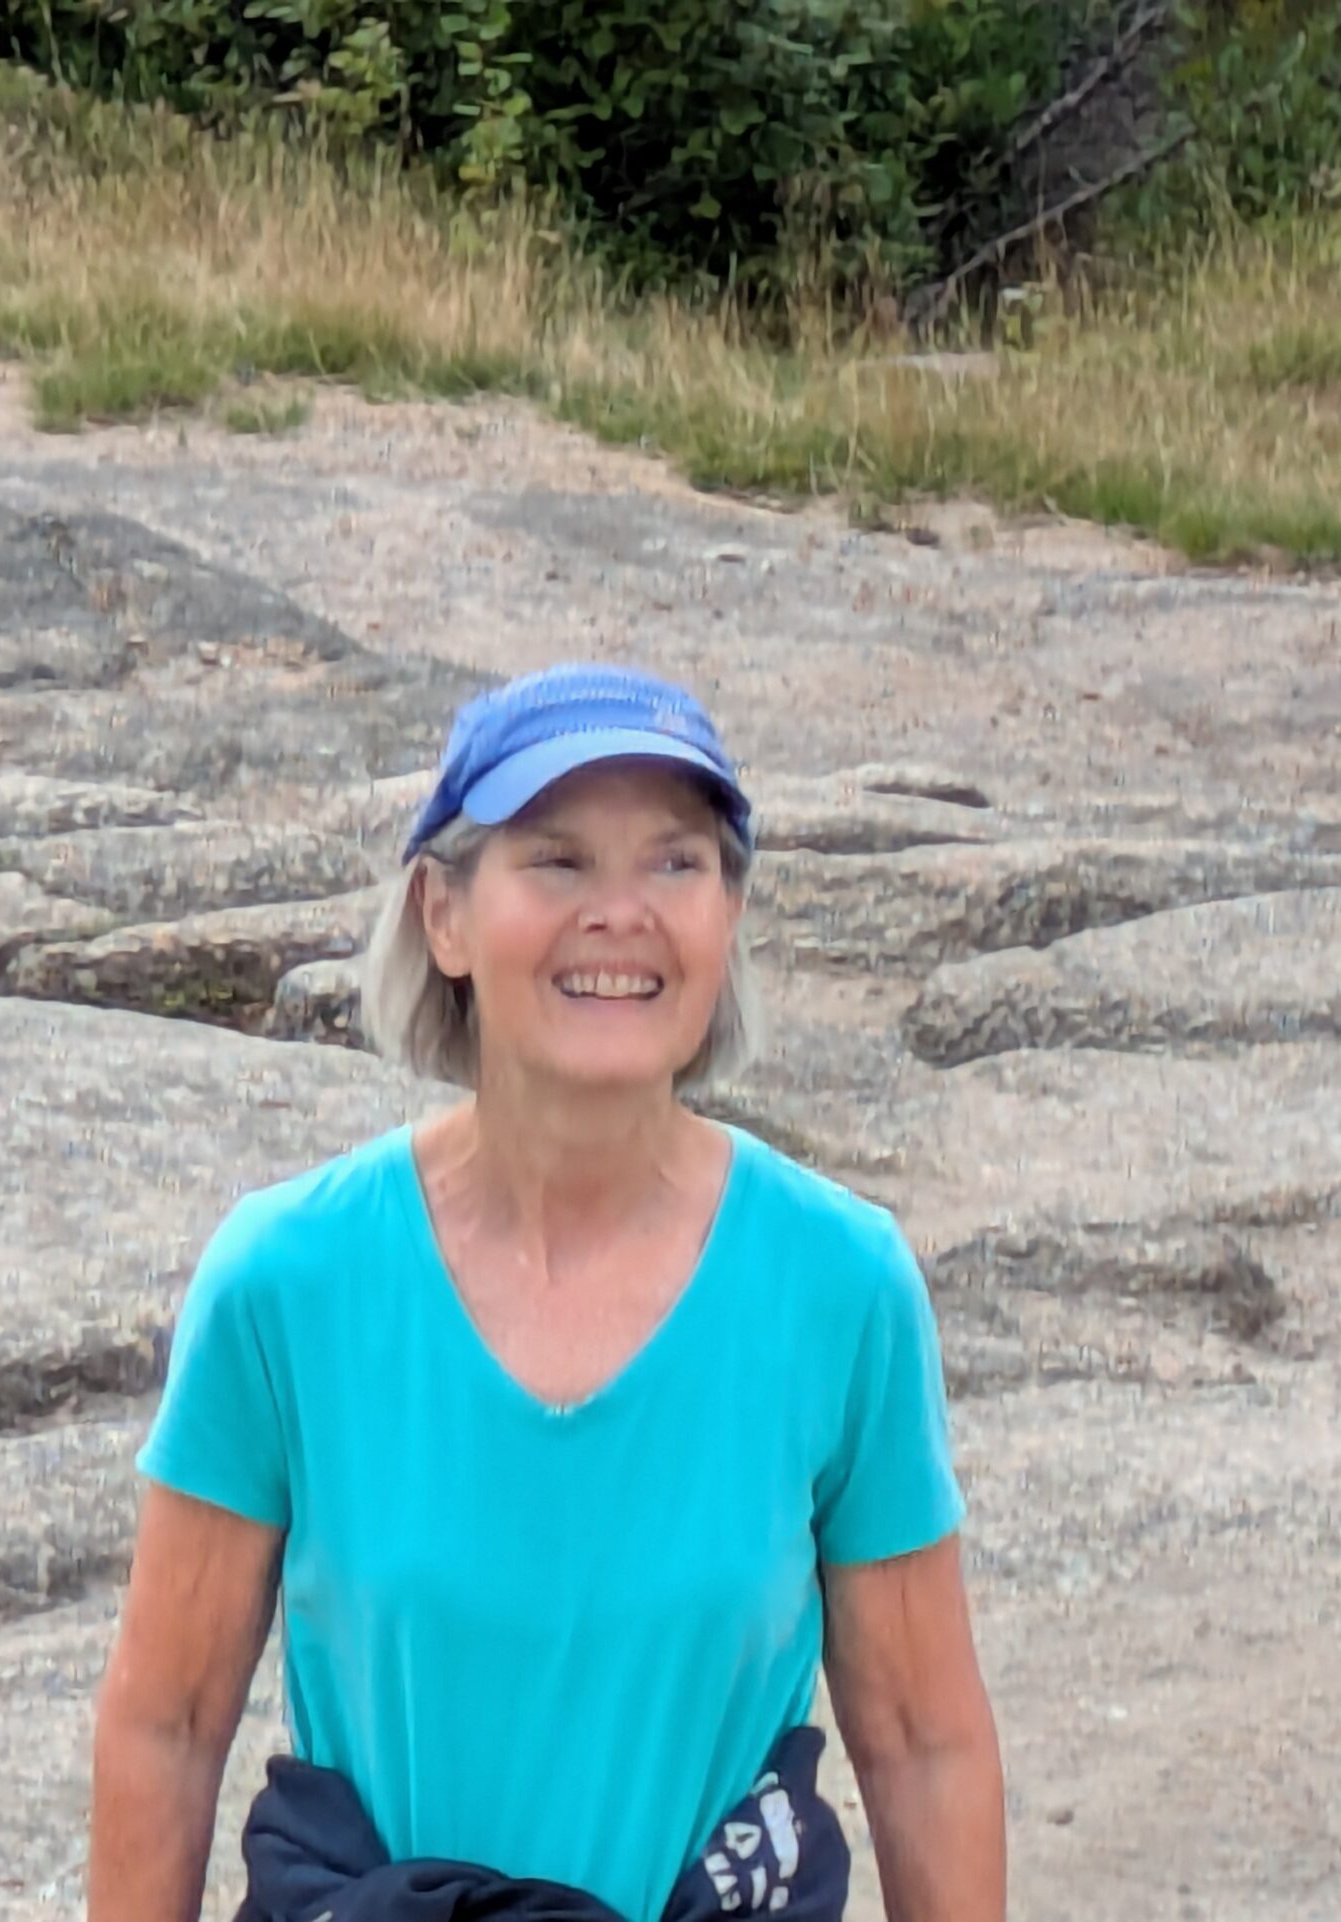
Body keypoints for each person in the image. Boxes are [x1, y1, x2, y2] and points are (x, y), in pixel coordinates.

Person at [88, 664, 1004, 1922]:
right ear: (443, 915)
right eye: (558, 861)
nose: (620, 913)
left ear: (729, 910)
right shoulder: (287, 1282)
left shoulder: (840, 1287)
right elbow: (169, 1722)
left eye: (675, 863)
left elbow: (921, 1740)